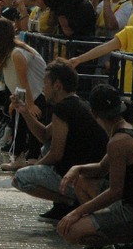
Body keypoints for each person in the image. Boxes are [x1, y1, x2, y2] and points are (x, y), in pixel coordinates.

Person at [56, 84, 133, 249]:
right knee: (82, 180)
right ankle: (104, 244)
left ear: (93, 112)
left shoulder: (118, 142)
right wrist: (77, 168)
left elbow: (115, 192)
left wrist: (76, 212)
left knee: (70, 231)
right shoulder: (128, 129)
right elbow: (100, 168)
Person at [11, 59, 109, 224]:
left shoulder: (63, 108)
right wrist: (25, 112)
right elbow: (44, 135)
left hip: (80, 177)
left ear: (57, 85)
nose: (43, 88)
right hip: (90, 173)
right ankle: (66, 203)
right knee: (44, 148)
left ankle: (70, 202)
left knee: (21, 178)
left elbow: (56, 153)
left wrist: (35, 165)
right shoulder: (77, 103)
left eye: (45, 83)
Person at [0, 18, 48, 171]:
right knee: (17, 122)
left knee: (31, 124)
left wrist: (30, 104)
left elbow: (24, 80)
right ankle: (18, 157)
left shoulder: (17, 53)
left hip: (36, 94)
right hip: (24, 93)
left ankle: (33, 158)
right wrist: (14, 101)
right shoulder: (7, 52)